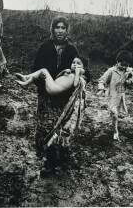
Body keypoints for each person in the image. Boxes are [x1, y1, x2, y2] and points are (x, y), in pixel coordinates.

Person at [31, 16, 89, 174]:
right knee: (46, 129)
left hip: (63, 98)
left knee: (63, 129)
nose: (60, 31)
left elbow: (83, 69)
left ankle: (63, 160)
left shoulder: (72, 49)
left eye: (63, 27)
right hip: (46, 97)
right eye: (57, 27)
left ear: (67, 30)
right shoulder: (45, 47)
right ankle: (49, 163)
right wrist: (45, 88)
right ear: (52, 29)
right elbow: (36, 69)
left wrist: (81, 76)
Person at [16, 56, 87, 149]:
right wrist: (66, 72)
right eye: (74, 62)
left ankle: (27, 79)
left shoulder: (80, 72)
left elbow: (75, 84)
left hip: (54, 89)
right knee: (43, 72)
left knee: (44, 70)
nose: (75, 65)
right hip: (54, 87)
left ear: (83, 67)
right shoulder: (71, 71)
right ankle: (27, 80)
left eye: (78, 63)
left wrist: (77, 73)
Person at [97, 51, 133, 141]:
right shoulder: (111, 71)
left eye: (126, 65)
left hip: (121, 97)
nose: (124, 66)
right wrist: (101, 88)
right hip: (111, 96)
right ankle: (115, 131)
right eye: (122, 64)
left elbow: (132, 85)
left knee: (118, 114)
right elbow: (102, 80)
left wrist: (127, 80)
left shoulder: (129, 71)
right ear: (118, 61)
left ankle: (115, 124)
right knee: (114, 114)